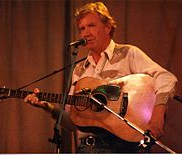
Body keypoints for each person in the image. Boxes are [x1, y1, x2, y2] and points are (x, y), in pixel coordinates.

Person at [24, 2, 177, 153]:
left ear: (107, 27)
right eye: (82, 28)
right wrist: (47, 108)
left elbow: (165, 77)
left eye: (91, 26)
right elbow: (73, 122)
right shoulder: (79, 70)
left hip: (122, 148)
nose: (85, 33)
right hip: (86, 148)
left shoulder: (127, 54)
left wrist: (158, 113)